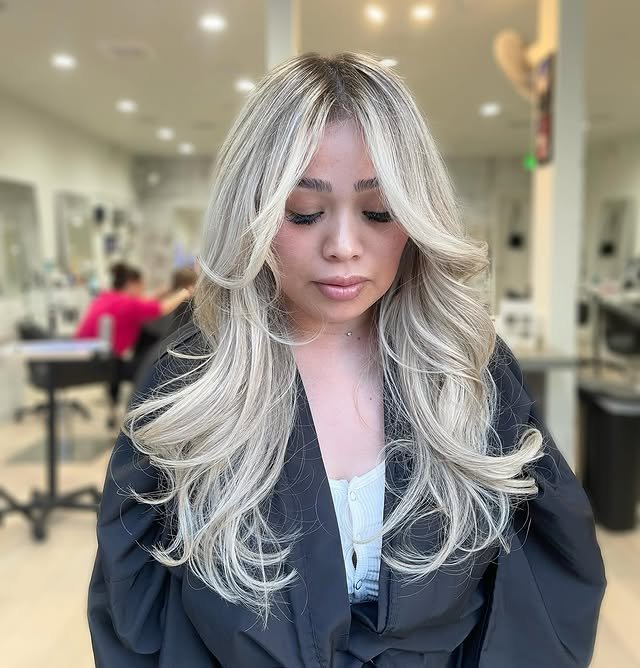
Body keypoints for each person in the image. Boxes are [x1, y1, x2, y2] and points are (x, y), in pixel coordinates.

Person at [88, 53, 605, 667]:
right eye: (304, 212)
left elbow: (543, 587)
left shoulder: (469, 369)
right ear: (252, 214)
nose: (343, 246)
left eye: (378, 211)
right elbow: (137, 615)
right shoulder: (191, 383)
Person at [75, 262, 192, 426]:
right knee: (151, 365)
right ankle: (143, 414)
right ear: (132, 284)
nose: (143, 290)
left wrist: (165, 291)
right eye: (141, 286)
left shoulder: (108, 297)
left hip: (86, 354)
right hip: (97, 362)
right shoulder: (128, 304)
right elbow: (161, 308)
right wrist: (185, 292)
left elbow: (143, 303)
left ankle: (115, 409)